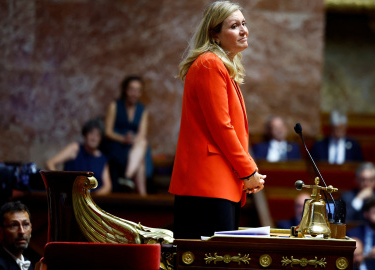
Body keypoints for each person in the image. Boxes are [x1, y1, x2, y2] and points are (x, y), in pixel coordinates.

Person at [169, 1, 266, 239]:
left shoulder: (219, 66)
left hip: (218, 184)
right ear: (215, 34)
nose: (244, 30)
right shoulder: (209, 64)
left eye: (244, 23)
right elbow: (222, 127)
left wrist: (246, 173)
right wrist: (248, 171)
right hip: (207, 186)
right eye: (234, 26)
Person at [104, 75, 152, 196]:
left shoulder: (142, 110)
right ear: (125, 90)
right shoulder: (114, 106)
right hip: (117, 145)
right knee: (140, 161)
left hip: (134, 146)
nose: (134, 93)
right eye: (131, 89)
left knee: (142, 145)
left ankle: (127, 177)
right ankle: (143, 197)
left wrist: (132, 140)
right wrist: (123, 139)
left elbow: (142, 134)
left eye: (137, 90)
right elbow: (108, 132)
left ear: (140, 93)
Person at [45, 118, 112, 195]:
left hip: (91, 201)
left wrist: (93, 198)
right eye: (91, 133)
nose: (94, 138)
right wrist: (61, 184)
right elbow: (49, 163)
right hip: (71, 197)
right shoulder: (75, 148)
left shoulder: (102, 159)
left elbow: (107, 186)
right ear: (85, 134)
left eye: (97, 135)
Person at [0, 201, 34, 270]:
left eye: (25, 224)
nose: (22, 231)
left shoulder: (27, 263)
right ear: (0, 231)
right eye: (14, 225)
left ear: (31, 228)